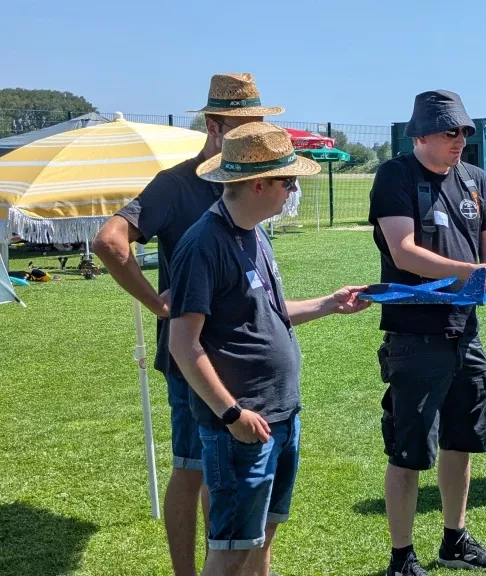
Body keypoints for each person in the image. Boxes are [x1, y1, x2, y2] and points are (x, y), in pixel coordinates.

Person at [92, 72, 282, 576]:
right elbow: (110, 240)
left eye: (260, 123)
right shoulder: (176, 185)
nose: (255, 133)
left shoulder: (244, 180)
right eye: (246, 124)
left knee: (223, 475)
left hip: (242, 361)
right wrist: (158, 304)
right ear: (216, 126)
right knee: (193, 468)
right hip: (193, 357)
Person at [168, 122, 370, 576]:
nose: (293, 190)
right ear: (258, 184)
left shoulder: (254, 233)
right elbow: (183, 343)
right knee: (231, 549)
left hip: (280, 415)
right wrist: (231, 414)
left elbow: (267, 313)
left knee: (261, 539)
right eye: (288, 181)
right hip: (242, 425)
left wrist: (327, 304)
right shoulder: (203, 245)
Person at [368, 89, 486, 576]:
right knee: (409, 451)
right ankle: (401, 558)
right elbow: (403, 252)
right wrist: (474, 275)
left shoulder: (475, 179)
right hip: (414, 336)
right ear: (420, 134)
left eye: (465, 131)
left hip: (465, 332)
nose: (460, 140)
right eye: (450, 132)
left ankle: (454, 539)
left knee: (462, 440)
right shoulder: (395, 176)